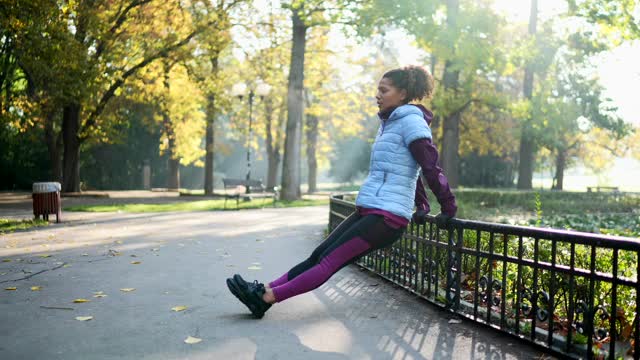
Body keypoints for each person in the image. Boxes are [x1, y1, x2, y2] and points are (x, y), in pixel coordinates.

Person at [226, 65, 457, 319]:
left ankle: (266, 299)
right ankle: (265, 289)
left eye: (383, 90)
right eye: (377, 90)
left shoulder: (412, 122)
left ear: (402, 93)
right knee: (317, 256)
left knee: (328, 263)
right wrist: (422, 206)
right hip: (371, 208)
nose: (377, 95)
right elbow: (406, 169)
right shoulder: (390, 124)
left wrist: (448, 208)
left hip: (387, 219)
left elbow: (429, 167)